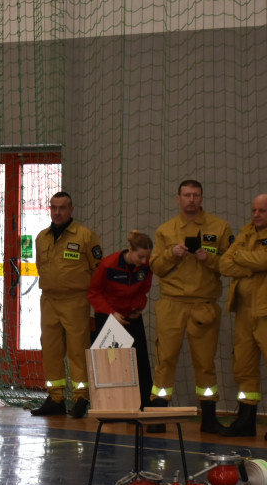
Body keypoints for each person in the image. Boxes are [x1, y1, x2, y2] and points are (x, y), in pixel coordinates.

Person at [149, 179, 233, 433]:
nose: (191, 199)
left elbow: (230, 266)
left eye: (196, 195)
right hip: (171, 304)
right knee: (166, 359)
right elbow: (155, 267)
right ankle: (158, 416)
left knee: (205, 362)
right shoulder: (166, 230)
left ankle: (208, 417)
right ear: (178, 199)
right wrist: (170, 254)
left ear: (202, 198)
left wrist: (209, 259)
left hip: (203, 304)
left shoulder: (220, 227)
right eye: (186, 195)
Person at [30, 192, 102, 418]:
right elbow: (40, 266)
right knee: (50, 351)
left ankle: (81, 398)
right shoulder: (42, 237)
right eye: (53, 208)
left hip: (76, 301)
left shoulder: (85, 236)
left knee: (78, 350)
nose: (57, 212)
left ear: (71, 209)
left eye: (62, 208)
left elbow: (98, 269)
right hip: (49, 300)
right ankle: (56, 398)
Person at [218, 194, 267, 437]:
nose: (257, 215)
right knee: (244, 367)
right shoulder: (247, 233)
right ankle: (246, 421)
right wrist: (252, 266)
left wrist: (240, 258)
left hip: (265, 312)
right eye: (254, 210)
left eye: (262, 211)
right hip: (244, 311)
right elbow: (224, 264)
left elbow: (264, 258)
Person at [87, 230, 154, 406]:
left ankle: (144, 405)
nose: (143, 261)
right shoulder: (108, 265)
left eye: (146, 257)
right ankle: (107, 406)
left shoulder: (146, 267)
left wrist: (138, 307)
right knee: (109, 364)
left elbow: (143, 290)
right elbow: (94, 293)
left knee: (140, 362)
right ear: (130, 250)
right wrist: (112, 314)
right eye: (140, 256)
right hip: (108, 317)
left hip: (131, 317)